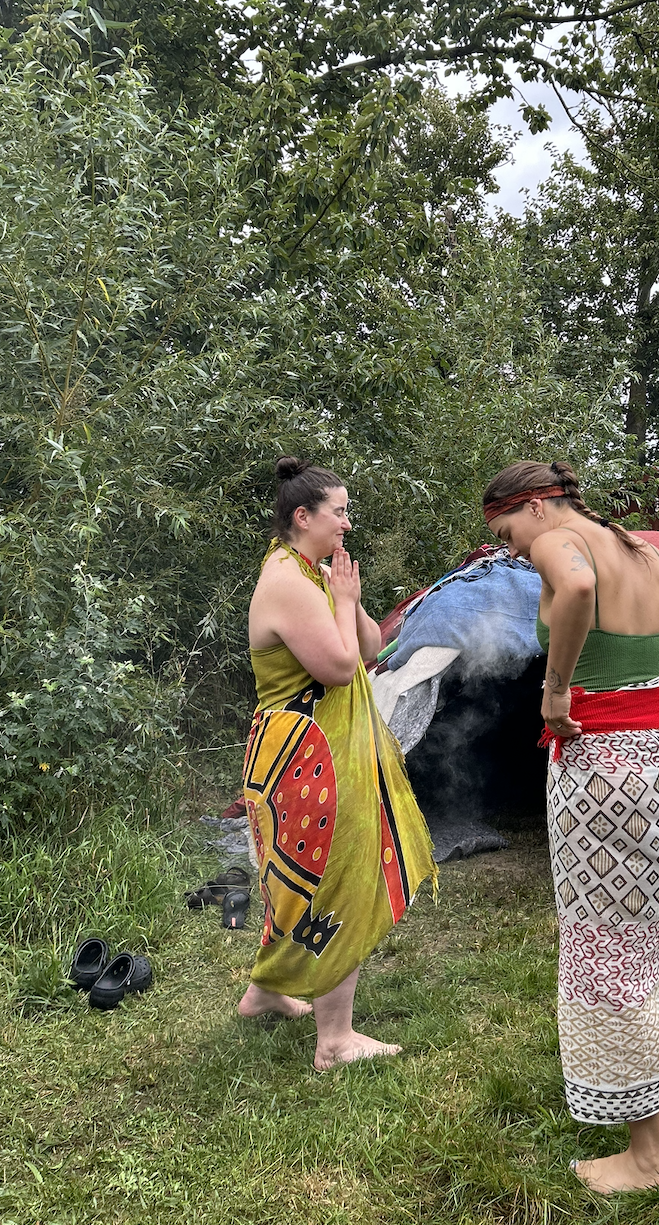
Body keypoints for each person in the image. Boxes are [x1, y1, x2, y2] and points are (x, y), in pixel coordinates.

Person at [482, 459, 659, 1194]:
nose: (514, 550)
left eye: (507, 531)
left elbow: (576, 585)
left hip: (606, 775)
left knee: (609, 948)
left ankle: (650, 1154)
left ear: (537, 505)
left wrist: (557, 693)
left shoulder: (565, 543)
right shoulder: (649, 554)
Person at [238, 456, 436, 1069]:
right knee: (340, 879)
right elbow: (341, 669)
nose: (348, 523)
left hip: (318, 751)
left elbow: (373, 646)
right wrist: (338, 597)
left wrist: (348, 595)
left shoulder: (312, 573)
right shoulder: (288, 581)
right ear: (303, 516)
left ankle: (265, 992)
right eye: (340, 511)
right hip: (308, 756)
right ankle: (335, 1040)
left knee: (298, 884)